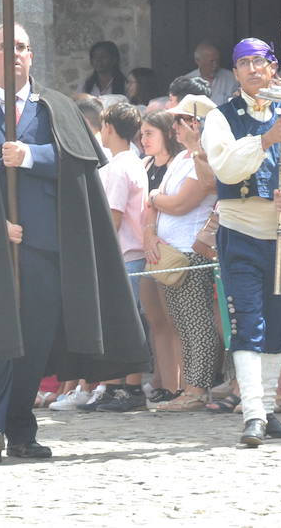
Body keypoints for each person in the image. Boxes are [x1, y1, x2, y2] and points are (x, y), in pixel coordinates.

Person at [0, 23, 147, 464]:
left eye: (23, 47)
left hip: (45, 248)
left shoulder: (57, 109)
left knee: (32, 343)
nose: (16, 55)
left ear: (32, 55)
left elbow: (81, 169)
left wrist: (31, 156)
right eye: (7, 47)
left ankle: (21, 430)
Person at [201, 38, 281, 445]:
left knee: (276, 322)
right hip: (240, 233)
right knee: (248, 322)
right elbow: (227, 169)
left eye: (260, 62)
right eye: (244, 63)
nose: (253, 69)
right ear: (235, 72)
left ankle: (268, 410)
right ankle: (251, 413)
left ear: (273, 68)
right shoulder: (220, 118)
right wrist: (267, 140)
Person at [145, 108, 220, 413]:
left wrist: (153, 197)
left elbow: (179, 203)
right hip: (170, 253)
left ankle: (197, 388)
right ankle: (190, 386)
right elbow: (160, 203)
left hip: (189, 253)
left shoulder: (205, 157)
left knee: (196, 324)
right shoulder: (180, 159)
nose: (174, 128)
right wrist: (150, 230)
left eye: (179, 122)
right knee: (181, 325)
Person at [90, 101, 151, 413]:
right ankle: (114, 386)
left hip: (124, 253)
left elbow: (112, 216)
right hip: (130, 252)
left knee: (126, 322)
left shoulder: (119, 166)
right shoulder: (132, 161)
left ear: (109, 128)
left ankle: (130, 387)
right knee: (119, 322)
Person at [134, 110, 184, 405]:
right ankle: (163, 380)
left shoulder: (176, 165)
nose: (144, 139)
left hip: (169, 249)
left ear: (166, 134)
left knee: (172, 318)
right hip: (146, 250)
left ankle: (177, 383)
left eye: (150, 133)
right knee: (155, 319)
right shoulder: (144, 164)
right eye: (141, 134)